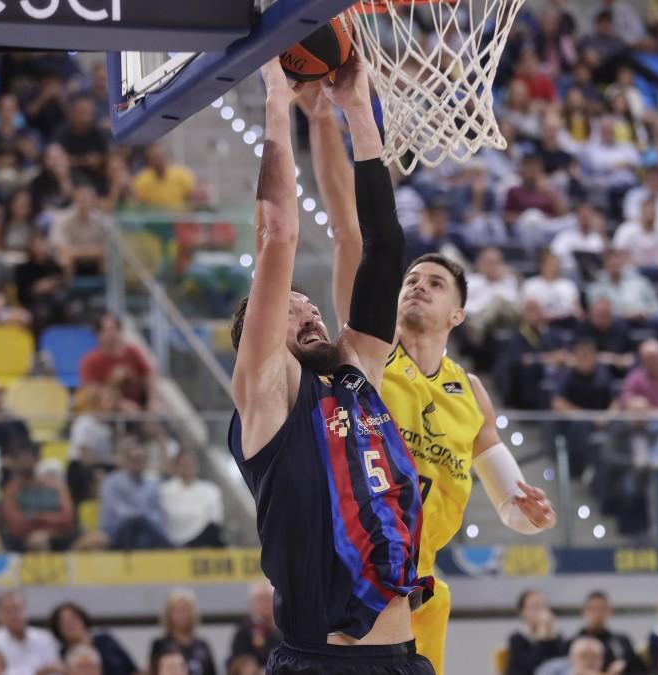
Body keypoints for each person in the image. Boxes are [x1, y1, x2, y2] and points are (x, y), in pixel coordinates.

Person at [303, 61, 555, 675]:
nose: (416, 287)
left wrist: (529, 515)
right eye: (412, 279)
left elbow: (509, 503)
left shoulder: (470, 394)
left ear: (458, 316)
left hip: (423, 590)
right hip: (352, 580)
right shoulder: (368, 350)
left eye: (434, 283)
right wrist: (320, 116)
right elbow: (346, 230)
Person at [227, 59, 436, 674]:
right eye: (292, 308)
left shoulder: (356, 375)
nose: (309, 308)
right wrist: (273, 95)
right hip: (322, 663)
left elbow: (384, 244)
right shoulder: (265, 395)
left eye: (310, 302)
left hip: (405, 659)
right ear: (258, 338)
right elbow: (279, 234)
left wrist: (356, 108)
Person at [0, 444, 76, 552]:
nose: (25, 462)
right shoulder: (10, 491)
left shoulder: (55, 486)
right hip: (23, 540)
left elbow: (67, 518)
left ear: (37, 460)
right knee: (36, 542)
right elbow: (16, 525)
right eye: (21, 458)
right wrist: (42, 525)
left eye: (28, 457)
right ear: (15, 462)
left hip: (57, 536)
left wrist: (39, 520)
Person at [100, 436, 171, 550]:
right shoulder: (111, 482)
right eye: (135, 459)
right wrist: (142, 517)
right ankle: (172, 547)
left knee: (144, 537)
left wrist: (145, 519)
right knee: (138, 522)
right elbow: (117, 512)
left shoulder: (151, 485)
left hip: (143, 531)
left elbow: (156, 513)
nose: (139, 463)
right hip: (117, 531)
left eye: (141, 460)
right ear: (127, 461)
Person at [79, 313, 155, 408]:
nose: (111, 334)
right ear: (98, 334)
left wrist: (152, 402)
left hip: (138, 408)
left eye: (114, 329)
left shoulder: (133, 352)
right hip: (105, 413)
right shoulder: (90, 360)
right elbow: (91, 391)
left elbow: (149, 376)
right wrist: (120, 404)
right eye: (107, 330)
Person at [0, 591, 62, 675]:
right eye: (8, 611)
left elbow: (56, 670)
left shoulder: (45, 638)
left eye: (17, 609)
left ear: (26, 610)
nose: (14, 615)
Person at [49, 602, 139, 675]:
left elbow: (132, 669)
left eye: (73, 619)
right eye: (63, 623)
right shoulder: (61, 655)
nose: (70, 625)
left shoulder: (105, 641)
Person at [160, 449, 225, 548]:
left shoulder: (210, 490)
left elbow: (216, 519)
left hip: (204, 538)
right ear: (176, 466)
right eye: (185, 464)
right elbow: (169, 518)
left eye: (191, 464)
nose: (188, 467)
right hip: (175, 541)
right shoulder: (165, 490)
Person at [149, 589, 218, 675]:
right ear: (169, 614)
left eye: (186, 610)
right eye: (177, 611)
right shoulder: (161, 645)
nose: (182, 615)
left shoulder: (202, 645)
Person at [576, 591, 642, 675]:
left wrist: (624, 665)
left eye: (601, 609)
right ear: (584, 611)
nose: (597, 614)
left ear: (610, 611)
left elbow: (638, 669)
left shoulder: (621, 642)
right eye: (593, 608)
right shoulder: (574, 642)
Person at [506, 590, 565, 675]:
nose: (542, 611)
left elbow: (564, 663)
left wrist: (551, 635)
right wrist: (542, 635)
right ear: (523, 611)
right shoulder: (517, 639)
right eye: (536, 607)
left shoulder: (555, 637)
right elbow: (531, 667)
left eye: (544, 606)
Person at [230, 581, 283, 668]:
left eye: (269, 599)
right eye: (261, 600)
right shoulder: (243, 632)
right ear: (252, 604)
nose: (266, 604)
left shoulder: (283, 632)